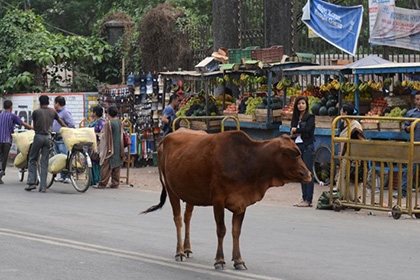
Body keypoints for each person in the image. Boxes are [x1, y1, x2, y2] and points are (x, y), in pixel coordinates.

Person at [25, 95, 67, 193]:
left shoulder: (36, 112)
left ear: (40, 103)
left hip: (38, 136)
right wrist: (68, 130)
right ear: (48, 102)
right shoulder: (53, 111)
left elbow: (34, 126)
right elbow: (61, 123)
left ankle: (31, 182)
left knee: (32, 159)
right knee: (44, 162)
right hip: (48, 138)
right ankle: (43, 186)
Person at [336, 103, 366, 202]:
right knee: (343, 177)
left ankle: (354, 199)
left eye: (342, 111)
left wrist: (359, 155)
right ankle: (344, 198)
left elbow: (362, 141)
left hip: (353, 156)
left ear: (346, 113)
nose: (340, 113)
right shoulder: (343, 123)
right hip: (344, 156)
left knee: (353, 178)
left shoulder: (355, 125)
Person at [290, 96, 316, 207]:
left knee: (308, 171)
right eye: (299, 103)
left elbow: (308, 130)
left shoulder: (310, 117)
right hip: (297, 146)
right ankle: (304, 197)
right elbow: (291, 130)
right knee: (300, 172)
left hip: (307, 146)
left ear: (306, 105)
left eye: (303, 103)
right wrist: (294, 132)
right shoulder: (295, 118)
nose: (301, 105)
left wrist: (297, 130)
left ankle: (308, 199)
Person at [0, 100, 33, 184]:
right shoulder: (12, 116)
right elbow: (22, 123)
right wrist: (32, 128)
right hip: (7, 140)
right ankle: (1, 172)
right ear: (11, 107)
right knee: (4, 158)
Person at [398, 91, 420, 198]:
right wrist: (409, 127)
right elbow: (405, 129)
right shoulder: (411, 113)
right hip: (414, 145)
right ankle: (403, 191)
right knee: (410, 169)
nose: (418, 102)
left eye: (419, 99)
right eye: (417, 99)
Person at [95, 105, 124, 189]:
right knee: (116, 165)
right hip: (118, 146)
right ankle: (115, 183)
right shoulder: (119, 122)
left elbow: (104, 136)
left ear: (108, 114)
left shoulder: (108, 123)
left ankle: (102, 183)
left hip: (109, 147)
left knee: (106, 166)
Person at [52, 96, 75, 183]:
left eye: (54, 103)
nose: (54, 105)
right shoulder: (56, 113)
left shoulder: (65, 113)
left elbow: (71, 124)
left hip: (63, 138)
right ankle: (62, 176)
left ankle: (68, 176)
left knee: (65, 156)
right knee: (59, 157)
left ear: (57, 103)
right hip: (56, 138)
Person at [88, 106, 105, 186]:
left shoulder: (101, 122)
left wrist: (94, 134)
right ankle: (92, 180)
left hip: (97, 145)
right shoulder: (95, 122)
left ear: (95, 113)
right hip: (92, 145)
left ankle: (97, 179)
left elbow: (102, 134)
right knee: (91, 162)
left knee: (95, 162)